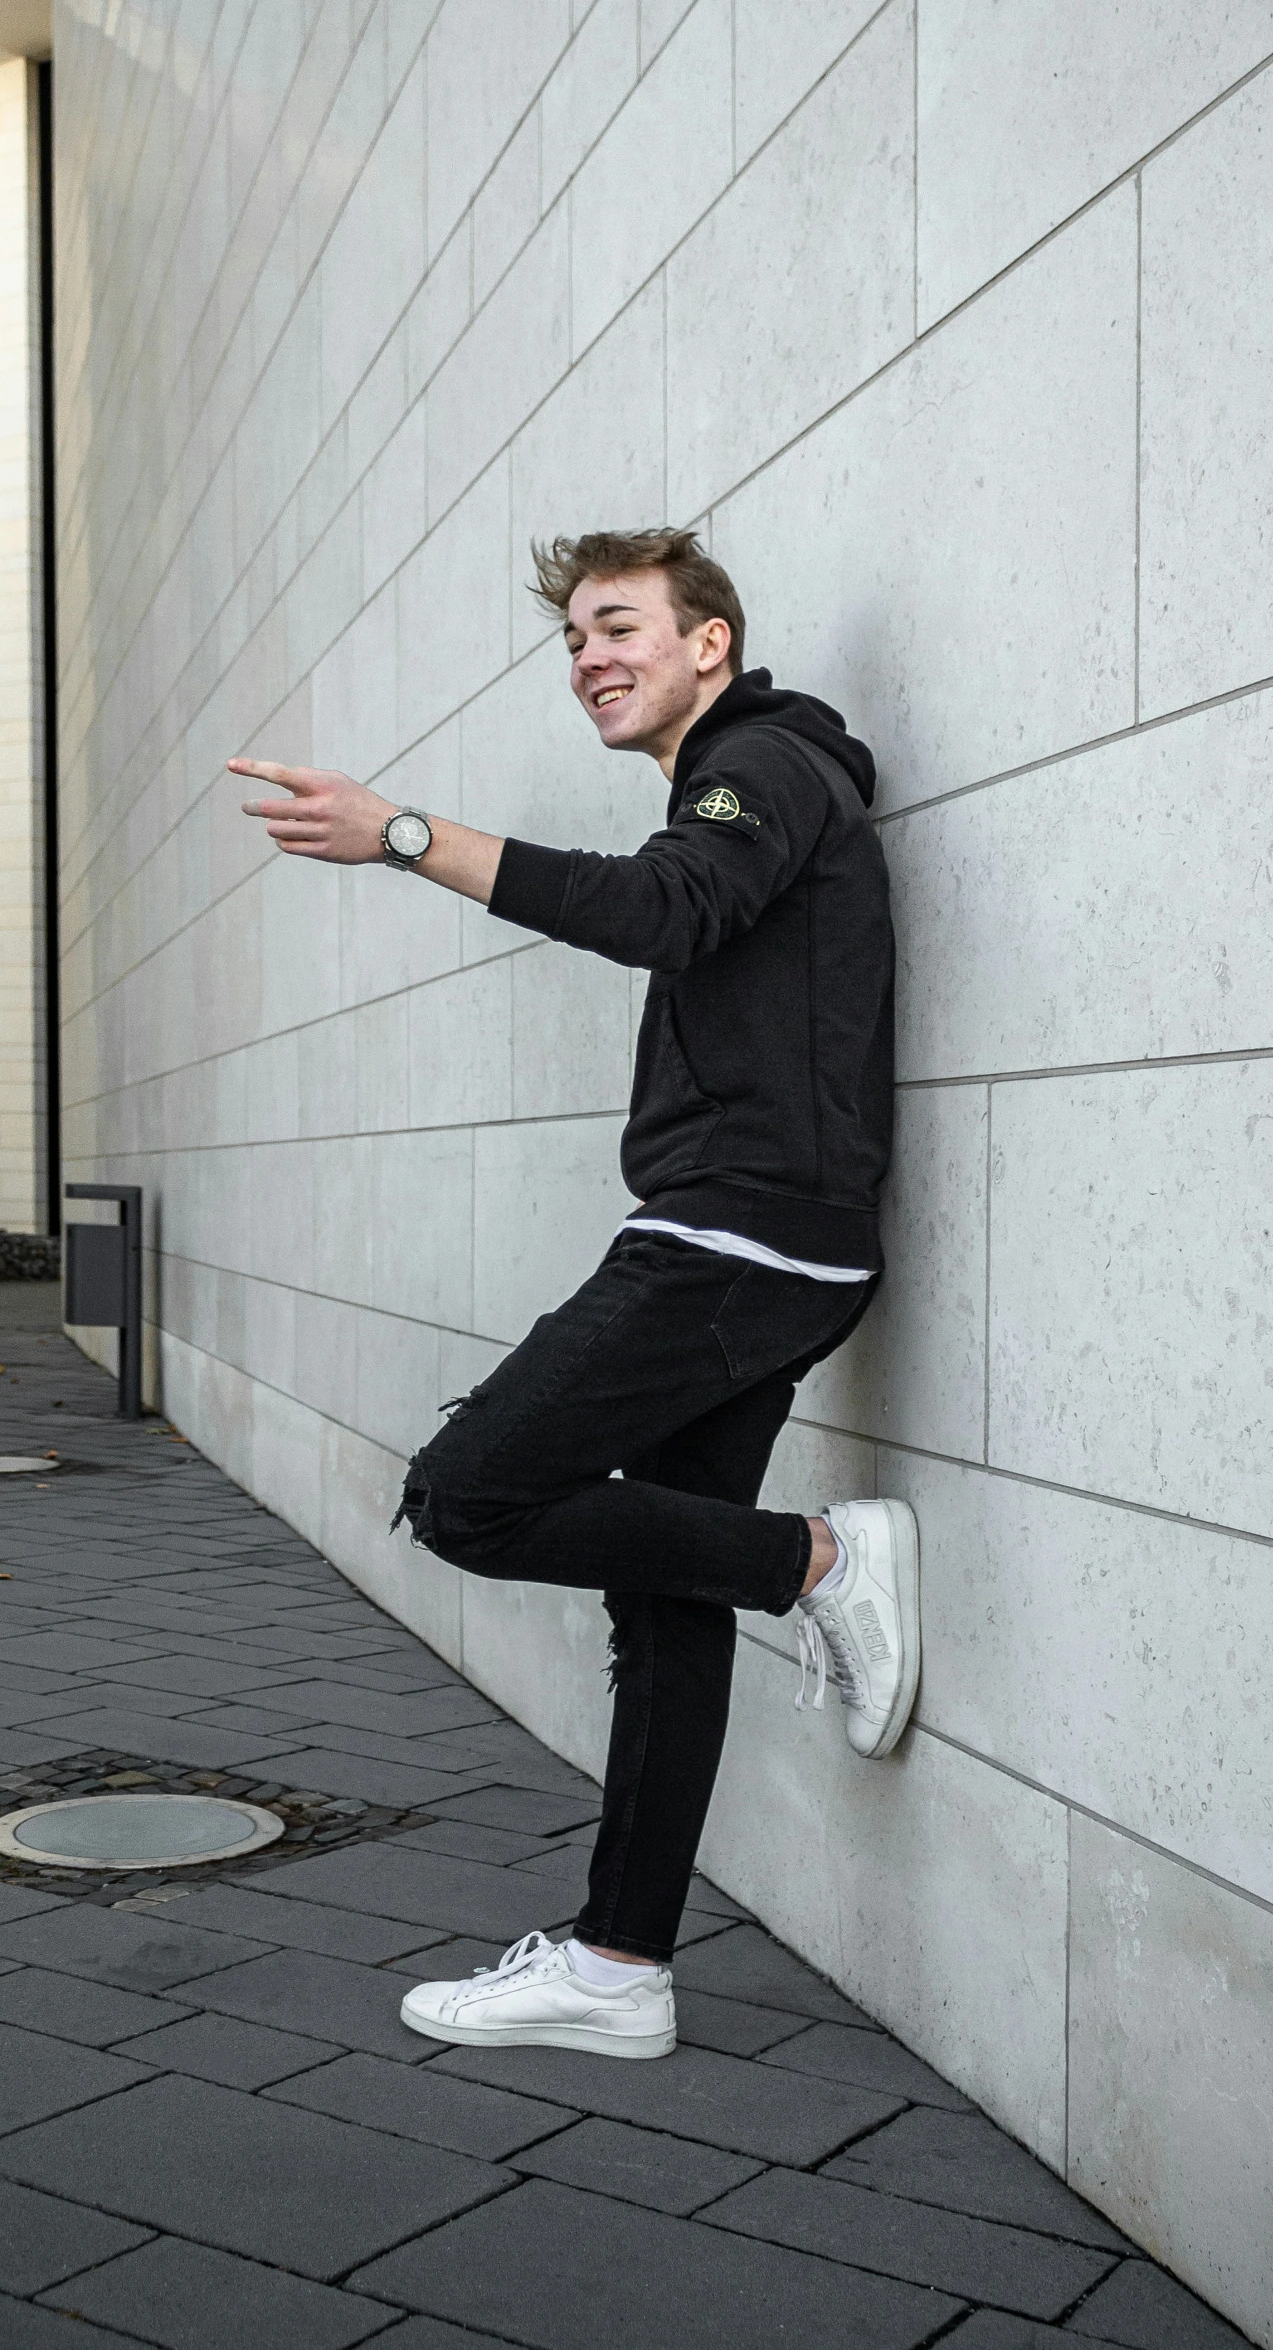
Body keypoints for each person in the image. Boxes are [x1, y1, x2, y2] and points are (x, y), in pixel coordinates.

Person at [233, 527, 919, 2062]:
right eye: (572, 643)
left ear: (710, 647)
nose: (589, 658)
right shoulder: (745, 772)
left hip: (736, 1239)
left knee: (470, 1492)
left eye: (620, 627)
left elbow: (660, 912)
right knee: (662, 1598)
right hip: (762, 1232)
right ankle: (620, 1964)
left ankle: (812, 1559)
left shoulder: (760, 762)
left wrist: (405, 835)